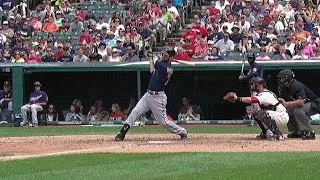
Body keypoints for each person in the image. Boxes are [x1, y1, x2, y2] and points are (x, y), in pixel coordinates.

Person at [115, 50, 188, 141]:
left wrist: (153, 57)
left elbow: (156, 61)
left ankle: (182, 132)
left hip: (158, 97)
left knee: (163, 122)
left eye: (167, 55)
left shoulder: (166, 67)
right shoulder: (162, 64)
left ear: (171, 57)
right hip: (148, 94)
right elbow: (152, 71)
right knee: (135, 111)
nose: (165, 56)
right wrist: (151, 60)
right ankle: (122, 132)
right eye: (165, 54)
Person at [224, 77, 288, 140]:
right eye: (252, 84)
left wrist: (237, 98)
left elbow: (252, 100)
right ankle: (266, 132)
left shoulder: (265, 94)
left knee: (261, 113)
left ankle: (278, 134)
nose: (253, 86)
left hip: (281, 116)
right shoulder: (263, 93)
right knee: (256, 114)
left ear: (261, 85)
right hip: (276, 115)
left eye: (255, 84)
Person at [277, 69, 319, 140]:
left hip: (315, 103)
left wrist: (287, 103)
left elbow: (301, 102)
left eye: (282, 78)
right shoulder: (284, 87)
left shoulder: (295, 85)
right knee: (287, 111)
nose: (281, 80)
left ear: (287, 78)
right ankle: (297, 131)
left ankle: (309, 132)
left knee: (298, 110)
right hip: (306, 104)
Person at [239, 52, 264, 126]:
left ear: (254, 58)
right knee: (253, 106)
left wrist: (244, 77)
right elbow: (249, 76)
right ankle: (255, 122)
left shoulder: (256, 65)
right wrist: (244, 76)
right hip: (253, 89)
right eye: (249, 58)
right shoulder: (250, 67)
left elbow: (253, 75)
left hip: (258, 89)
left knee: (256, 106)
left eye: (251, 58)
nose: (250, 59)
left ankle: (261, 122)